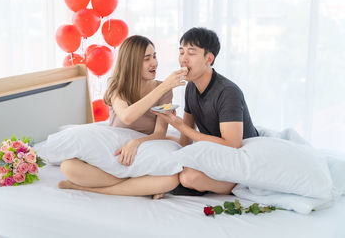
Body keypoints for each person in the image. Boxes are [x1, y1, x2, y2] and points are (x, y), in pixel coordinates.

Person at [58, 35, 187, 198]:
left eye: (154, 56)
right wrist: (162, 88)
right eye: (147, 59)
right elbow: (127, 117)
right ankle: (139, 185)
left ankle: (89, 188)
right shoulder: (116, 86)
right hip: (115, 149)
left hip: (143, 148)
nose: (154, 63)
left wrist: (136, 143)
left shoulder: (163, 89)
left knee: (170, 180)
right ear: (132, 63)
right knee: (68, 166)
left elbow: (159, 134)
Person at [153, 27, 259, 196]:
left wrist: (180, 126)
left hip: (239, 156)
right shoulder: (191, 87)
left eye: (191, 53)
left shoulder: (228, 92)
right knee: (162, 150)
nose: (183, 59)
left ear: (209, 58)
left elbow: (232, 145)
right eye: (181, 52)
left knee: (189, 178)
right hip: (214, 150)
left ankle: (239, 186)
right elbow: (185, 139)